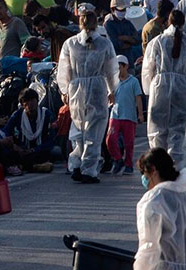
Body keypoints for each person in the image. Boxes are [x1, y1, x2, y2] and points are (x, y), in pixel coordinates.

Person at [57, 3, 118, 184]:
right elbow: (111, 70)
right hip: (97, 88)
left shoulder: (70, 43)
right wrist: (112, 89)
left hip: (76, 89)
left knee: (78, 128)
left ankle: (75, 163)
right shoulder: (105, 43)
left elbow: (63, 70)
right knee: (95, 129)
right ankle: (89, 170)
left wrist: (64, 90)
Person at [142, 10, 186, 169]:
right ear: (183, 23)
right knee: (178, 130)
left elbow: (147, 69)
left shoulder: (156, 42)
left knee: (158, 130)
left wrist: (149, 88)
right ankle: (174, 167)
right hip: (182, 88)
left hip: (159, 88)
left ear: (167, 22)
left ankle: (158, 167)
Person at [3, 89, 55, 174]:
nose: (30, 103)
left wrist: (34, 150)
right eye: (26, 101)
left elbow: (51, 140)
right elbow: (6, 132)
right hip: (22, 151)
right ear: (22, 104)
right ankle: (35, 167)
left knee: (54, 152)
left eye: (32, 100)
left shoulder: (46, 115)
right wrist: (14, 146)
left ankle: (27, 166)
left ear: (37, 101)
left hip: (40, 151)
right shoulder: (17, 115)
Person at [107, 55, 144, 175]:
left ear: (126, 66)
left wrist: (140, 114)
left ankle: (128, 165)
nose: (118, 70)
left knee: (129, 143)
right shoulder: (113, 82)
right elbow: (110, 99)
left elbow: (138, 98)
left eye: (120, 67)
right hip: (115, 115)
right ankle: (117, 159)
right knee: (110, 139)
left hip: (129, 115)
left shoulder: (133, 81)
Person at [0, 0, 30, 83]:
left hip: (13, 73)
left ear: (6, 8)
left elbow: (27, 45)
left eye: (0, 8)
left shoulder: (16, 23)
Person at [104, 0, 141, 70]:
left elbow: (137, 40)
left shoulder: (127, 23)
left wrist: (125, 38)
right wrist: (130, 40)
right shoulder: (109, 24)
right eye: (121, 10)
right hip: (116, 65)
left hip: (129, 63)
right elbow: (115, 44)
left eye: (124, 9)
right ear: (112, 9)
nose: (123, 12)